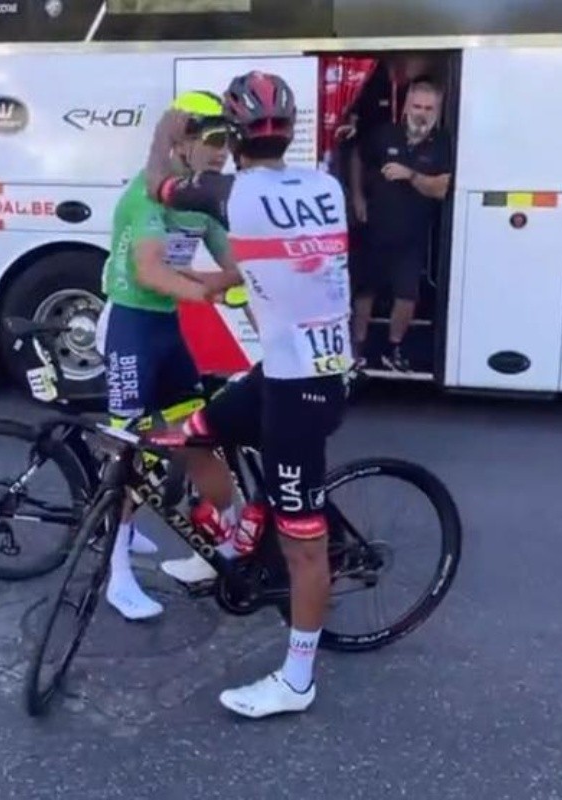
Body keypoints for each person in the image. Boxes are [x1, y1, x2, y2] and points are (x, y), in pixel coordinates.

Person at [144, 71, 352, 718]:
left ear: (233, 137)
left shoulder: (228, 192)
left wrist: (167, 134)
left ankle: (297, 680)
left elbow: (160, 186)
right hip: (302, 373)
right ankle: (232, 546)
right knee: (200, 431)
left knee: (304, 543)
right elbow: (287, 250)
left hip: (303, 391)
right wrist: (231, 276)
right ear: (288, 131)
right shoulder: (326, 185)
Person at [96, 90, 244, 622]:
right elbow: (150, 273)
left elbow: (238, 266)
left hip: (165, 326)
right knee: (132, 454)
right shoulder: (147, 197)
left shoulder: (201, 201)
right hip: (130, 326)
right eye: (210, 141)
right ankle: (114, 572)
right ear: (179, 144)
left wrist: (229, 283)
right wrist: (207, 286)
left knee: (198, 438)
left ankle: (227, 543)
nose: (221, 153)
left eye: (227, 141)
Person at [349, 79, 453, 371]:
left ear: (438, 110)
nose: (421, 113)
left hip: (413, 235)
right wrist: (357, 197)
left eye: (428, 108)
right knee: (364, 293)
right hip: (374, 230)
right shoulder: (384, 135)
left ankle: (394, 351)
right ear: (406, 106)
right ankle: (357, 350)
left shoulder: (443, 143)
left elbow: (443, 188)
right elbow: (357, 156)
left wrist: (411, 175)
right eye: (417, 106)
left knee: (407, 296)